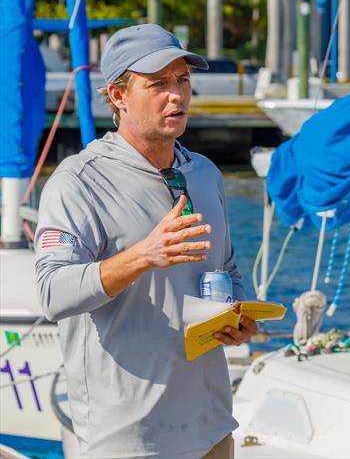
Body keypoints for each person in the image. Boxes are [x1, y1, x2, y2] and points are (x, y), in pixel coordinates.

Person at [35, 23, 254, 458]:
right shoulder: (79, 181)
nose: (176, 94)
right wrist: (142, 256)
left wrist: (237, 318)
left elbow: (225, 269)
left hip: (210, 430)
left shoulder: (205, 173)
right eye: (157, 83)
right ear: (118, 96)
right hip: (130, 440)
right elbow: (51, 293)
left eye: (183, 80)